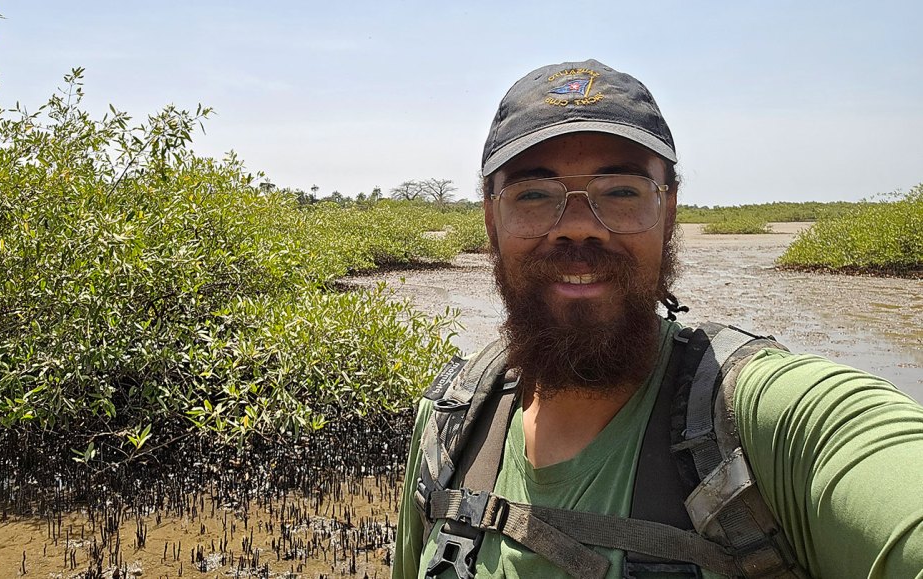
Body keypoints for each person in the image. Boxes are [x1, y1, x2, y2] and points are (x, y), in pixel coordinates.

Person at [391, 60, 923, 579]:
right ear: (491, 218)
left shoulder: (770, 419)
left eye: (620, 191)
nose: (578, 227)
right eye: (534, 194)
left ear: (668, 212)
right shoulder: (449, 425)